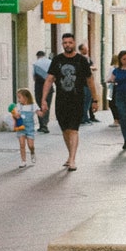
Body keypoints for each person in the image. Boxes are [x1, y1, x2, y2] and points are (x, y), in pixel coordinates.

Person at [39, 32, 99, 171]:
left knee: (73, 129)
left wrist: (95, 99)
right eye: (65, 43)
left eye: (70, 42)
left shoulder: (81, 61)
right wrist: (43, 100)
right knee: (65, 130)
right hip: (61, 100)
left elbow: (90, 80)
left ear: (74, 43)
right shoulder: (57, 60)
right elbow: (49, 79)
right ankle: (70, 155)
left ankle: (72, 159)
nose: (67, 45)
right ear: (62, 44)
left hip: (77, 99)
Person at [10, 88, 39, 168]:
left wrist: (43, 111)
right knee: (22, 144)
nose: (18, 100)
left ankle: (32, 152)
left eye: (20, 97)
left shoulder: (33, 106)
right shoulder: (18, 106)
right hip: (21, 128)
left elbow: (40, 113)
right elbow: (14, 114)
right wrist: (15, 115)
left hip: (30, 128)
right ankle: (23, 161)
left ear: (26, 97)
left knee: (30, 146)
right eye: (18, 97)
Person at [78, 43, 99, 123]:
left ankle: (88, 117)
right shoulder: (80, 59)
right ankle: (83, 118)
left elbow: (93, 66)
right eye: (85, 49)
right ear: (81, 50)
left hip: (89, 82)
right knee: (85, 101)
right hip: (83, 83)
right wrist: (90, 67)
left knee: (88, 100)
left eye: (87, 48)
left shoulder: (88, 58)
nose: (87, 50)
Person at [32, 51, 51, 132]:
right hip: (49, 87)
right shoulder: (51, 62)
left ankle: (42, 125)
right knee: (47, 105)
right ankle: (45, 123)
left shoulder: (35, 64)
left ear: (38, 56)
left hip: (39, 87)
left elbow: (34, 77)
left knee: (40, 104)